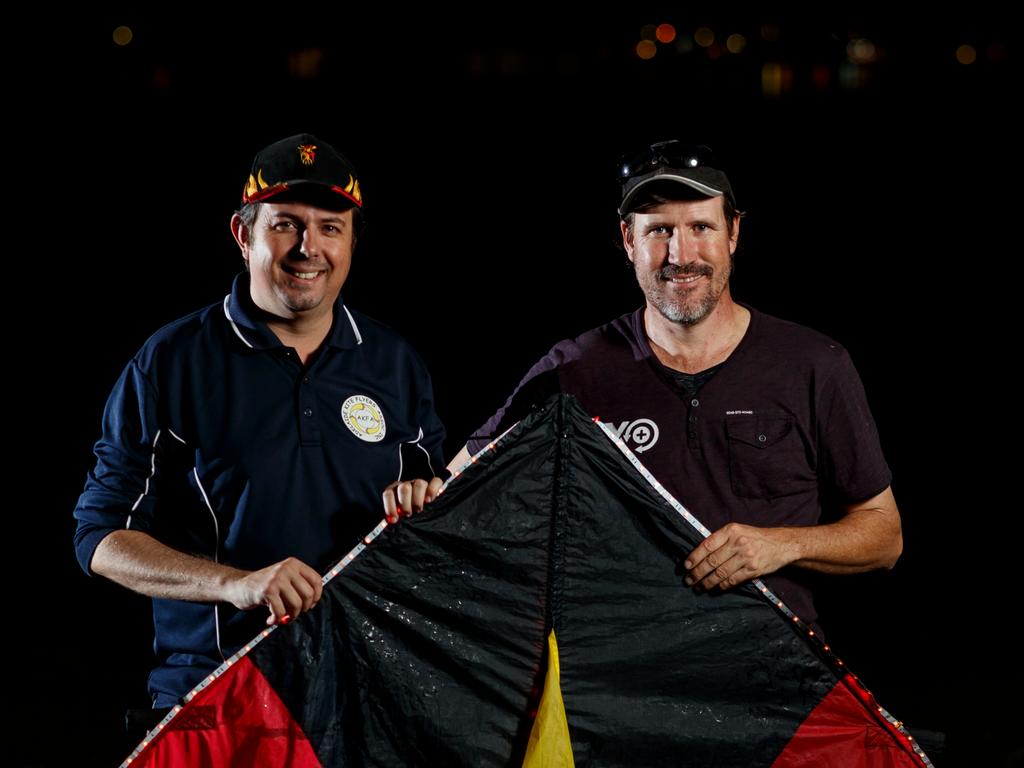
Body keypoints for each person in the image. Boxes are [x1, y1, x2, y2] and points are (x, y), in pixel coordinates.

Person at [448, 141, 902, 628]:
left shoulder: (814, 364)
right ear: (628, 240)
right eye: (659, 230)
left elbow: (883, 537)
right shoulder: (574, 369)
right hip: (619, 680)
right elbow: (456, 486)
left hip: (771, 679)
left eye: (700, 227)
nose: (680, 256)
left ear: (733, 232)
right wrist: (420, 494)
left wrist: (781, 544)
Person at [73, 133, 447, 710]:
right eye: (285, 224)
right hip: (222, 695)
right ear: (242, 235)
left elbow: (437, 515)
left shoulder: (394, 364)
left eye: (330, 227)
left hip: (367, 697)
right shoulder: (172, 363)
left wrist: (426, 500)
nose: (308, 247)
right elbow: (98, 539)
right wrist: (237, 583)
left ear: (351, 243)